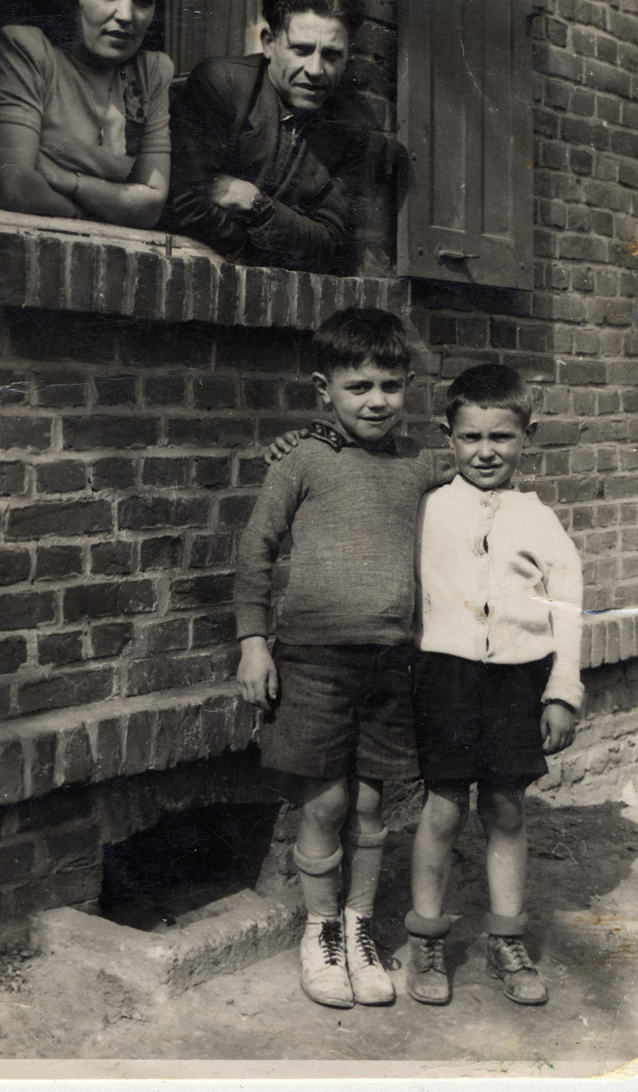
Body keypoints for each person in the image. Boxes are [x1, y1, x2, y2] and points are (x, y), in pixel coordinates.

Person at [234, 307, 438, 1009]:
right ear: (326, 389)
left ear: (408, 385)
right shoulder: (304, 458)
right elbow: (256, 549)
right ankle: (319, 931)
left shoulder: (420, 468)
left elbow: (478, 482)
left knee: (375, 804)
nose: (376, 400)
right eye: (358, 387)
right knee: (324, 801)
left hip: (392, 663)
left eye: (390, 384)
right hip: (315, 659)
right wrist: (253, 641)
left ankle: (358, 929)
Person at [405, 364, 583, 1008]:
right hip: (445, 676)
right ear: (446, 436)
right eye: (471, 436)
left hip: (518, 678)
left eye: (502, 438)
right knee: (444, 804)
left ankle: (507, 937)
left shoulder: (539, 519)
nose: (486, 451)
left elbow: (568, 605)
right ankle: (427, 935)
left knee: (506, 806)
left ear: (526, 436)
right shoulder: (426, 507)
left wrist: (563, 689)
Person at [164, 0, 370, 273]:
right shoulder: (221, 85)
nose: (315, 69)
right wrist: (265, 250)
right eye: (301, 50)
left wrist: (254, 203)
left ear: (347, 57)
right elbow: (185, 205)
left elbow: (332, 245)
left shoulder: (349, 130)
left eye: (331, 55)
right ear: (269, 43)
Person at [0, 0, 173, 228]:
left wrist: (66, 180)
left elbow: (150, 207)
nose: (126, 15)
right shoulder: (30, 50)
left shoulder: (152, 72)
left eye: (143, 0)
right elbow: (17, 187)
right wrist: (88, 216)